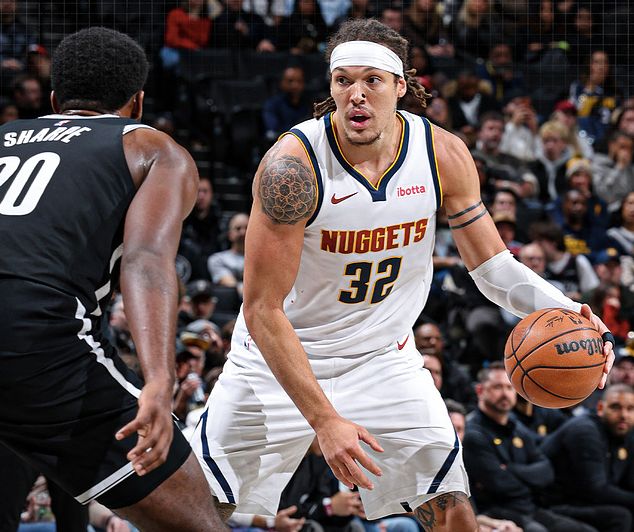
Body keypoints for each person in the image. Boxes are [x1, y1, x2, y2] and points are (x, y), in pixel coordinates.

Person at [192, 18, 614, 531]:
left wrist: (571, 312)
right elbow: (262, 309)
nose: (356, 94)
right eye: (343, 80)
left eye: (372, 80)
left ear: (400, 85)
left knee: (452, 511)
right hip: (278, 361)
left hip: (382, 359)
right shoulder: (292, 168)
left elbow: (491, 266)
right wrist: (324, 419)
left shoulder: (441, 153)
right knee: (197, 512)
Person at [0, 27, 223, 530]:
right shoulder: (148, 146)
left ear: (53, 100)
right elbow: (144, 260)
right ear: (137, 103)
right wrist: (160, 381)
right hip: (35, 339)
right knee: (197, 520)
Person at [463, 363, 596, 532]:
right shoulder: (473, 433)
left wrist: (511, 469)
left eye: (509, 388)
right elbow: (500, 485)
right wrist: (531, 480)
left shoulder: (517, 427)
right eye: (497, 387)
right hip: (495, 511)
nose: (505, 394)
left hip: (530, 508)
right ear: (480, 390)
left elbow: (546, 471)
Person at [541, 384, 634, 531]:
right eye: (616, 407)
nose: (624, 415)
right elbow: (596, 490)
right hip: (554, 505)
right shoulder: (585, 431)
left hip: (582, 501)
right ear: (600, 408)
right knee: (620, 517)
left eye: (630, 409)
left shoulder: (624, 433)